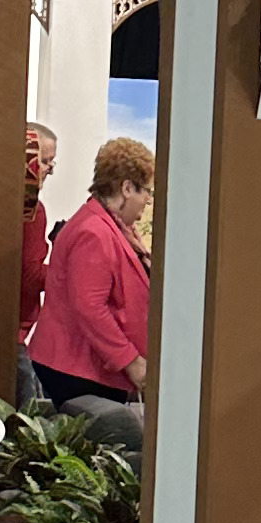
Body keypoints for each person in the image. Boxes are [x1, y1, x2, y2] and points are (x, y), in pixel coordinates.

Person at [30, 134, 154, 415]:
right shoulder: (93, 232)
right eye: (146, 191)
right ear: (126, 188)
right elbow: (90, 307)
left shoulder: (116, 227)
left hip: (91, 369)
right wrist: (130, 361)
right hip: (77, 369)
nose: (148, 200)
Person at [18, 121, 60, 350]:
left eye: (52, 162)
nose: (49, 170)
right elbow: (30, 275)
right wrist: (65, 272)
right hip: (12, 328)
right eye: (44, 161)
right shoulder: (31, 210)